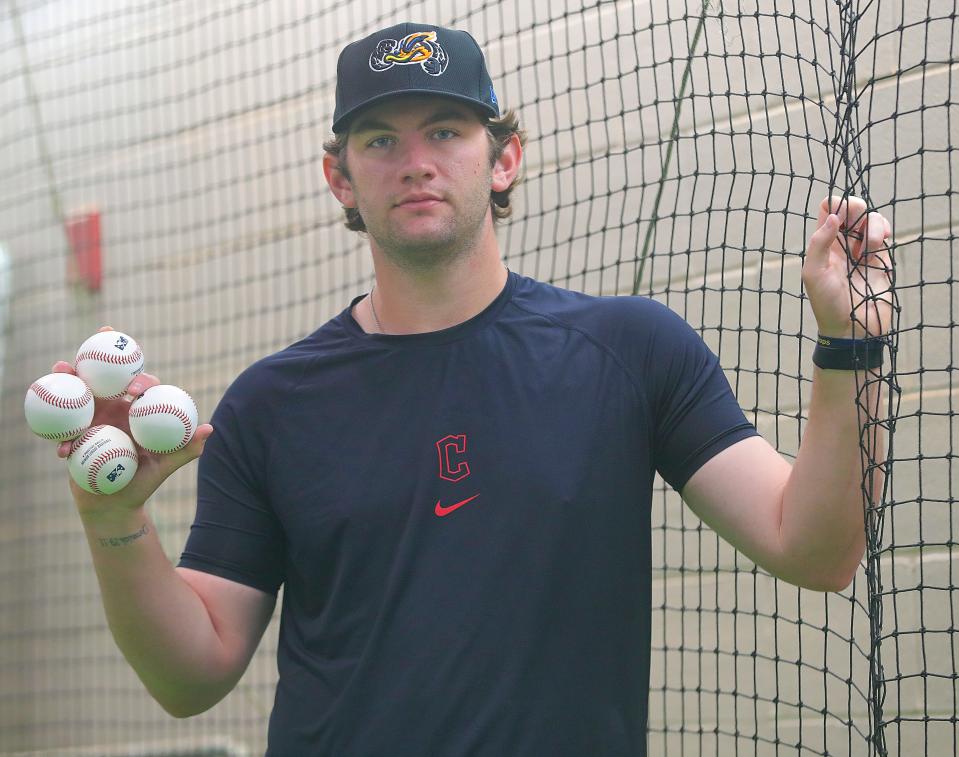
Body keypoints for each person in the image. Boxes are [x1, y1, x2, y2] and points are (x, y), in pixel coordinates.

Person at [54, 22, 894, 756]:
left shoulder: (632, 348)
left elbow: (815, 549)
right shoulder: (270, 403)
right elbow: (191, 675)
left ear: (503, 159)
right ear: (340, 179)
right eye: (380, 140)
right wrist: (114, 520)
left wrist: (850, 346)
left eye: (446, 130)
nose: (415, 163)